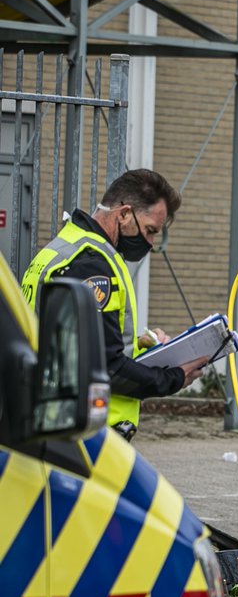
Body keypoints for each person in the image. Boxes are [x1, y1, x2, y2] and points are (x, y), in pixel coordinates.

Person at [21, 169, 209, 440]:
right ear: (123, 214)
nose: (151, 243)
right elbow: (106, 367)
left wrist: (142, 347)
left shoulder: (63, 246)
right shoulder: (93, 264)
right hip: (88, 431)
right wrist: (174, 377)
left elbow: (72, 342)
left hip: (53, 417)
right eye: (150, 230)